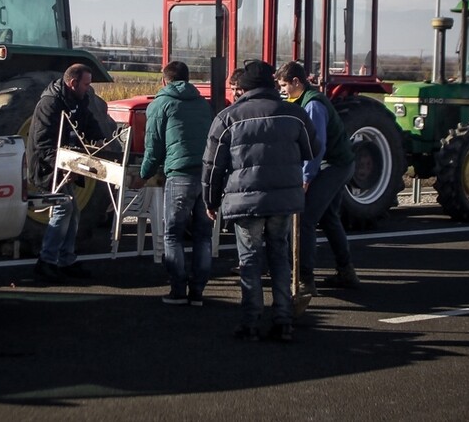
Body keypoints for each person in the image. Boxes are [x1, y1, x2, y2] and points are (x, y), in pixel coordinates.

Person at [202, 60, 319, 342]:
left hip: (245, 201)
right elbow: (312, 149)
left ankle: (250, 321)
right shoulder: (295, 114)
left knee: (250, 260)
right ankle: (283, 320)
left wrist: (211, 200)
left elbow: (212, 165)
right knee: (279, 256)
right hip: (284, 199)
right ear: (271, 83)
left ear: (245, 87)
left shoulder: (228, 117)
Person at [132, 60, 214, 306]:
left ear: (164, 79)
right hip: (206, 175)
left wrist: (143, 175)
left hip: (179, 175)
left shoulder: (160, 104)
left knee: (173, 234)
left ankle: (178, 289)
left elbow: (153, 147)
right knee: (203, 235)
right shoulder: (202, 103)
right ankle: (197, 291)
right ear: (187, 79)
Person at [275, 61, 360, 296]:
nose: (282, 90)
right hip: (337, 162)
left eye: (284, 85)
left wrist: (305, 178)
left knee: (305, 218)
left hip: (334, 165)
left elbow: (317, 146)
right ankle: (347, 272)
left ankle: (305, 279)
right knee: (330, 217)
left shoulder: (313, 105)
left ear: (296, 82)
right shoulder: (304, 100)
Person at [27, 63, 109, 283]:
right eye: (85, 84)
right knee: (64, 209)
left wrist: (102, 141)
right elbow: (43, 144)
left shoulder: (78, 100)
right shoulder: (50, 103)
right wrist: (63, 166)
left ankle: (65, 260)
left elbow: (89, 123)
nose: (88, 88)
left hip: (67, 166)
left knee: (72, 212)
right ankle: (47, 261)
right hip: (48, 167)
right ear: (73, 83)